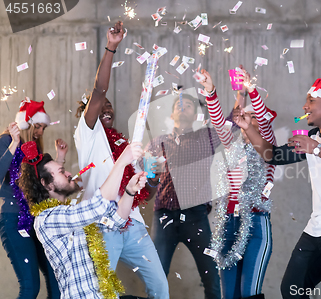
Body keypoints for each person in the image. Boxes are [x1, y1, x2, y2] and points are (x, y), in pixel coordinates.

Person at [233, 74, 321, 299]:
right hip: (318, 226)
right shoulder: (312, 137)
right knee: (292, 289)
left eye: (310, 100)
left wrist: (316, 148)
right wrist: (248, 129)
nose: (304, 106)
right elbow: (273, 155)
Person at [73, 21, 169, 298]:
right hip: (103, 225)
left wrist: (154, 175)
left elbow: (145, 195)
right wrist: (111, 47)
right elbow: (100, 92)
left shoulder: (127, 145)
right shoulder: (87, 135)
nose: (106, 108)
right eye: (100, 106)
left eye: (110, 107)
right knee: (100, 292)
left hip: (133, 225)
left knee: (161, 288)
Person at [17, 140, 147, 298]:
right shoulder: (46, 219)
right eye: (61, 171)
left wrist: (129, 191)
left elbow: (115, 220)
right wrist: (121, 163)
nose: (69, 174)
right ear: (46, 184)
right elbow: (99, 205)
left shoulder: (71, 213)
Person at [144, 89, 231, 299]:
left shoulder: (206, 137)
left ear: (195, 116)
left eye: (189, 106)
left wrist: (239, 96)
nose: (182, 108)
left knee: (210, 278)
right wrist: (151, 177)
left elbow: (230, 124)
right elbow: (147, 186)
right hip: (163, 216)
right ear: (172, 114)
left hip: (196, 217)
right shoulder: (157, 143)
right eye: (178, 106)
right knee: (157, 277)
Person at [197, 68, 276, 299]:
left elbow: (262, 122)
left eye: (252, 119)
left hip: (256, 224)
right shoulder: (232, 146)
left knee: (249, 293)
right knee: (229, 294)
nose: (245, 121)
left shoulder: (268, 149)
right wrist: (210, 91)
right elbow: (220, 123)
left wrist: (250, 90)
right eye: (243, 118)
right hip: (228, 224)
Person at [0, 99, 63, 299]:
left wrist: (60, 158)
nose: (40, 132)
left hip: (38, 222)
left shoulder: (36, 152)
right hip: (13, 221)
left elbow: (52, 187)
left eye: (43, 128)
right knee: (30, 287)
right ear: (25, 124)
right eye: (37, 127)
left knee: (56, 282)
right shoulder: (5, 141)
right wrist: (14, 144)